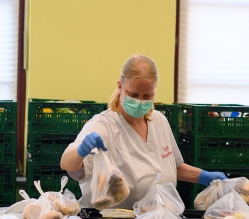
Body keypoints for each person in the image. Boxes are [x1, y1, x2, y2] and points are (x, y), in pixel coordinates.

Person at [60, 54, 227, 209]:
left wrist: (203, 176)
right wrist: (81, 149)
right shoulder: (104, 125)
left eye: (147, 96)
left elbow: (168, 167)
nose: (140, 102)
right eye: (133, 94)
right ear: (120, 86)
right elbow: (67, 163)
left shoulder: (159, 120)